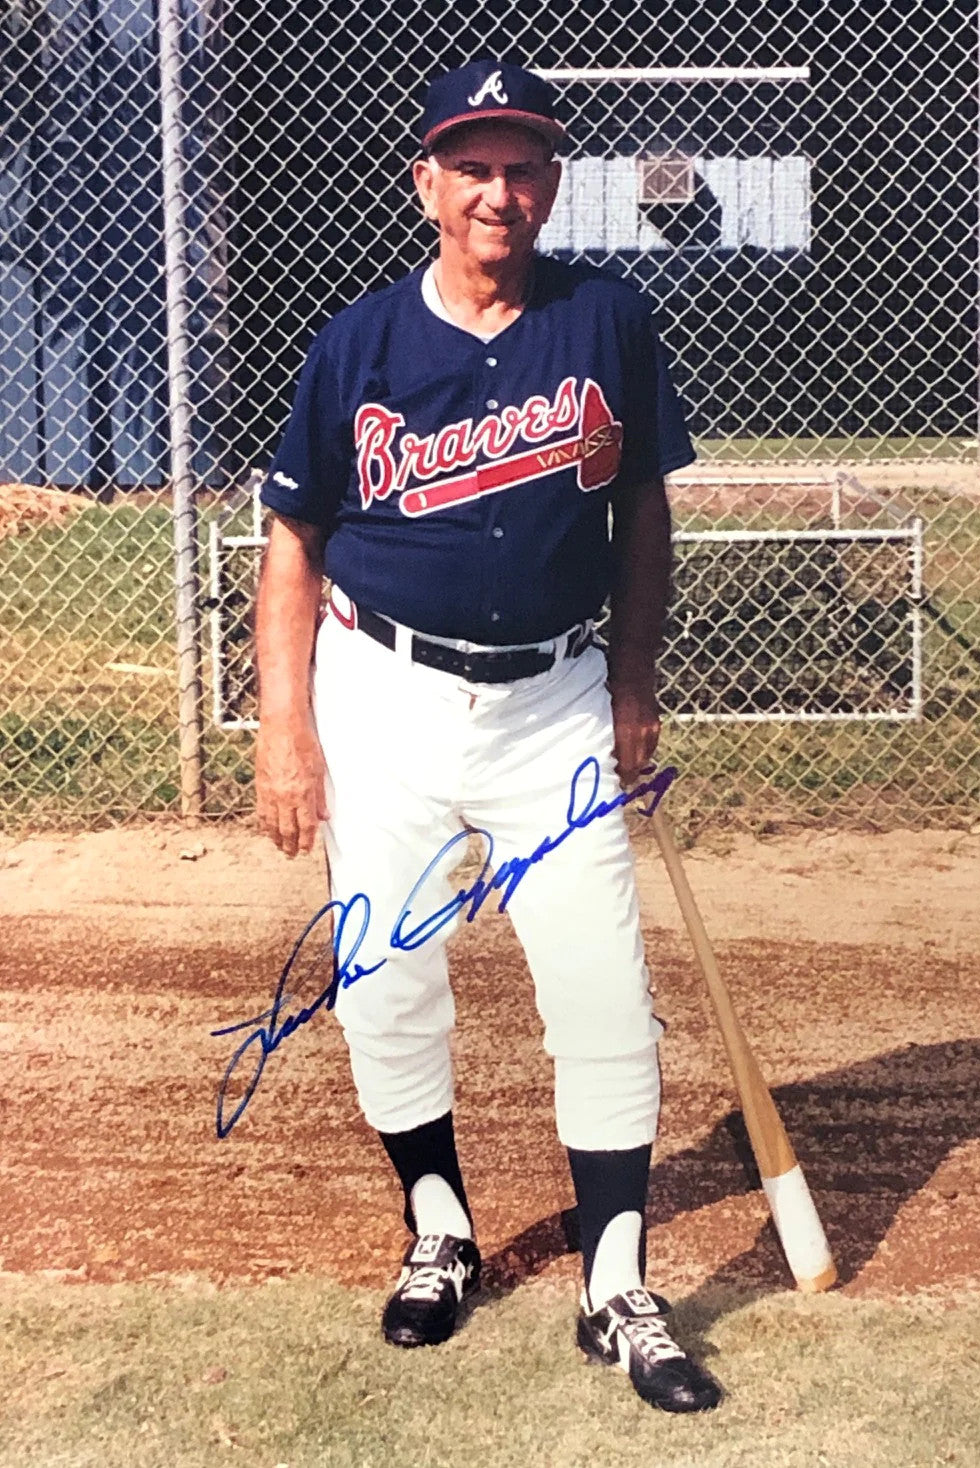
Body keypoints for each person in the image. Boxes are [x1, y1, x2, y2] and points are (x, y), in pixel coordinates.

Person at [254, 58, 721, 1414]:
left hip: (555, 696)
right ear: (428, 187)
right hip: (383, 693)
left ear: (552, 184)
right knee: (385, 970)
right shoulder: (358, 343)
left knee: (598, 979)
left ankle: (616, 1281)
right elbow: (293, 539)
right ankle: (439, 1230)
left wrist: (635, 682)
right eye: (473, 167)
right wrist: (285, 727)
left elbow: (645, 518)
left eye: (521, 167)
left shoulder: (609, 322)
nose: (497, 193)